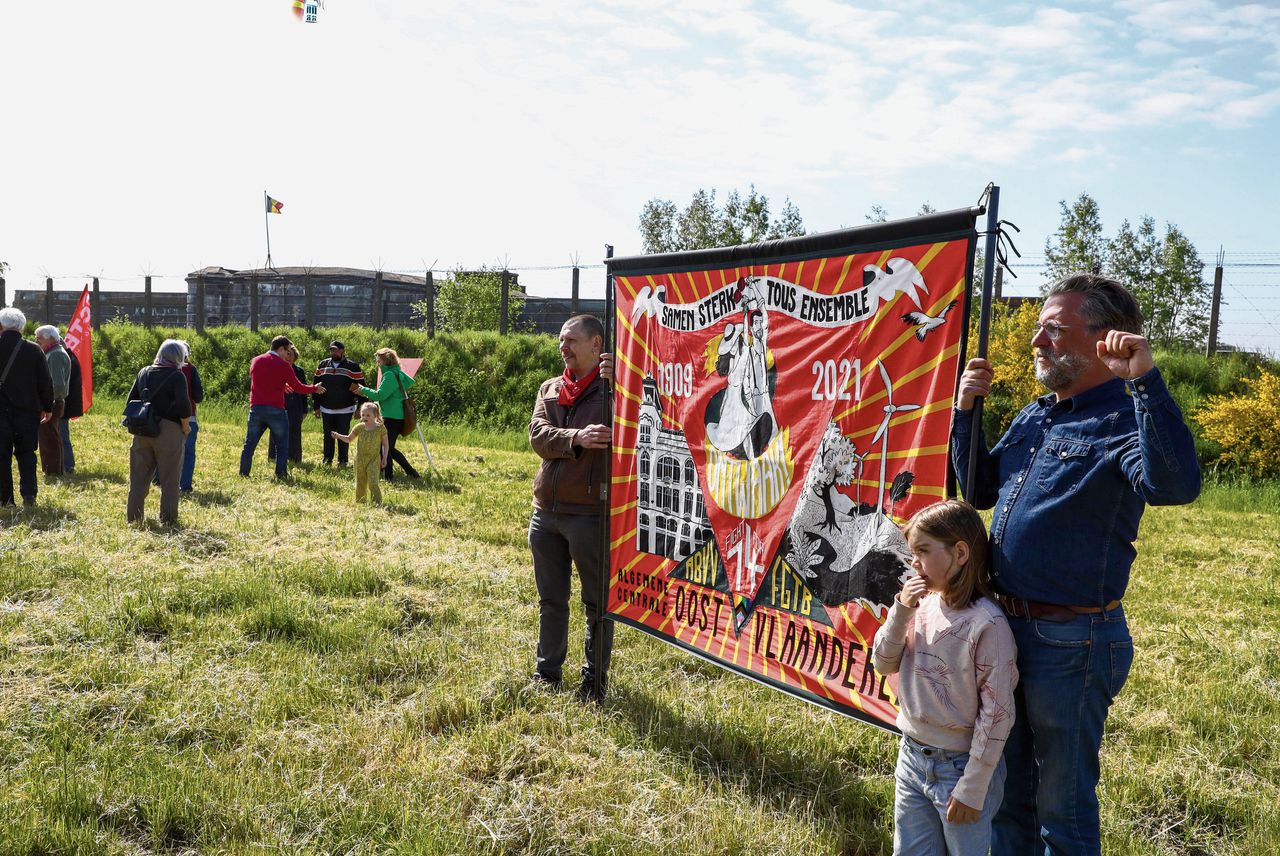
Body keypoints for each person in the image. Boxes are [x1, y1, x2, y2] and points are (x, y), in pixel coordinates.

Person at [951, 273, 1201, 856]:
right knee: (1009, 794)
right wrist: (966, 411)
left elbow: (1175, 485)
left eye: (1054, 330)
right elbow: (981, 489)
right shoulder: (1038, 415)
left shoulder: (1123, 418)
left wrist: (1145, 381)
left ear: (1107, 339)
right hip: (1003, 630)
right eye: (1041, 328)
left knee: (1060, 810)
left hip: (1071, 640)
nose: (1038, 341)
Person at [872, 499, 1018, 856]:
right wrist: (901, 610)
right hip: (912, 757)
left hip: (960, 768)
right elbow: (883, 663)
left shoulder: (988, 625)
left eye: (922, 551)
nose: (914, 563)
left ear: (960, 553)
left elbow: (997, 714)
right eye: (912, 553)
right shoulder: (917, 606)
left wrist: (973, 785)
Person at [527, 314, 615, 702]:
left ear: (597, 344)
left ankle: (594, 681)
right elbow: (538, 436)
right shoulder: (550, 388)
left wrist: (625, 380)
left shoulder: (615, 390)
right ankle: (547, 673)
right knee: (551, 599)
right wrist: (576, 436)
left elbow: (647, 417)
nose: (563, 346)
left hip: (590, 513)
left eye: (572, 340)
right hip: (546, 510)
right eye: (561, 340)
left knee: (596, 603)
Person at [125, 339, 191, 525]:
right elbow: (184, 407)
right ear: (179, 357)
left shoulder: (144, 372)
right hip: (169, 430)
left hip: (142, 429)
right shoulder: (177, 376)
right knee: (170, 479)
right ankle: (168, 520)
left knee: (138, 479)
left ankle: (134, 518)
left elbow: (131, 401)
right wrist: (185, 428)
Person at [240, 335, 323, 480]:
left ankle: (244, 473)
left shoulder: (255, 361)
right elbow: (298, 387)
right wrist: (315, 388)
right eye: (288, 351)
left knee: (249, 444)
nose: (288, 354)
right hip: (276, 410)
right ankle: (280, 473)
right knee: (281, 445)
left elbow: (260, 381)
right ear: (281, 349)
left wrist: (281, 385)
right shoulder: (283, 365)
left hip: (256, 408)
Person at [0, 308, 53, 508]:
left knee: (1, 456)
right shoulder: (34, 350)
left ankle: (5, 499)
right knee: (26, 454)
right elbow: (45, 383)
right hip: (27, 412)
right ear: (22, 327)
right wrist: (48, 407)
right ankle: (29, 496)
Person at [353, 347, 418, 481]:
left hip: (392, 417)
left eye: (378, 360)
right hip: (396, 416)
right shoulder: (396, 373)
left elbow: (380, 395)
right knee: (389, 447)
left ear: (385, 360)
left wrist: (363, 390)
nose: (377, 363)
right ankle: (410, 472)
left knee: (385, 447)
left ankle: (389, 476)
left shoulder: (389, 375)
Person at [313, 340, 365, 467]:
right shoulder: (323, 365)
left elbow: (361, 388)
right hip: (326, 408)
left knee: (343, 436)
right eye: (331, 350)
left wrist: (360, 408)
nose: (333, 352)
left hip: (345, 409)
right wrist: (316, 406)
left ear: (343, 351)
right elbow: (315, 386)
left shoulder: (352, 366)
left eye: (335, 350)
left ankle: (343, 461)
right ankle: (327, 460)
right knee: (328, 436)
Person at [331, 401, 389, 504]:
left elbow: (385, 444)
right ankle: (361, 502)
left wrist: (384, 458)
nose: (364, 417)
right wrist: (338, 436)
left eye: (368, 415)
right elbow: (349, 439)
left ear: (375, 415)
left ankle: (377, 502)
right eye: (363, 415)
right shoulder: (359, 427)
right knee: (360, 482)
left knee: (373, 482)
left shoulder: (381, 428)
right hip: (360, 459)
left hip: (374, 459)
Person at [34, 325, 69, 476]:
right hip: (54, 401)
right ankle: (53, 469)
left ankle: (53, 471)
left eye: (39, 338)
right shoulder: (53, 352)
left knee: (50, 438)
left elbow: (58, 384)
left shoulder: (55, 355)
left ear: (49, 338)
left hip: (53, 402)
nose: (36, 341)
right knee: (50, 436)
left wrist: (47, 402)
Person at [268, 344, 308, 464]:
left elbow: (304, 391)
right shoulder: (277, 368)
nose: (289, 356)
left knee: (295, 432)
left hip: (296, 406)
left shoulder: (299, 371)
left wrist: (304, 410)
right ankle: (273, 457)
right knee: (276, 431)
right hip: (279, 404)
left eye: (292, 354)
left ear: (295, 356)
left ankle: (294, 458)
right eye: (287, 353)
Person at [59, 341, 83, 473]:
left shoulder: (64, 358)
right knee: (62, 434)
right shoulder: (71, 357)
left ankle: (68, 464)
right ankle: (66, 463)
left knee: (62, 435)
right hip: (68, 403)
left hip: (64, 403)